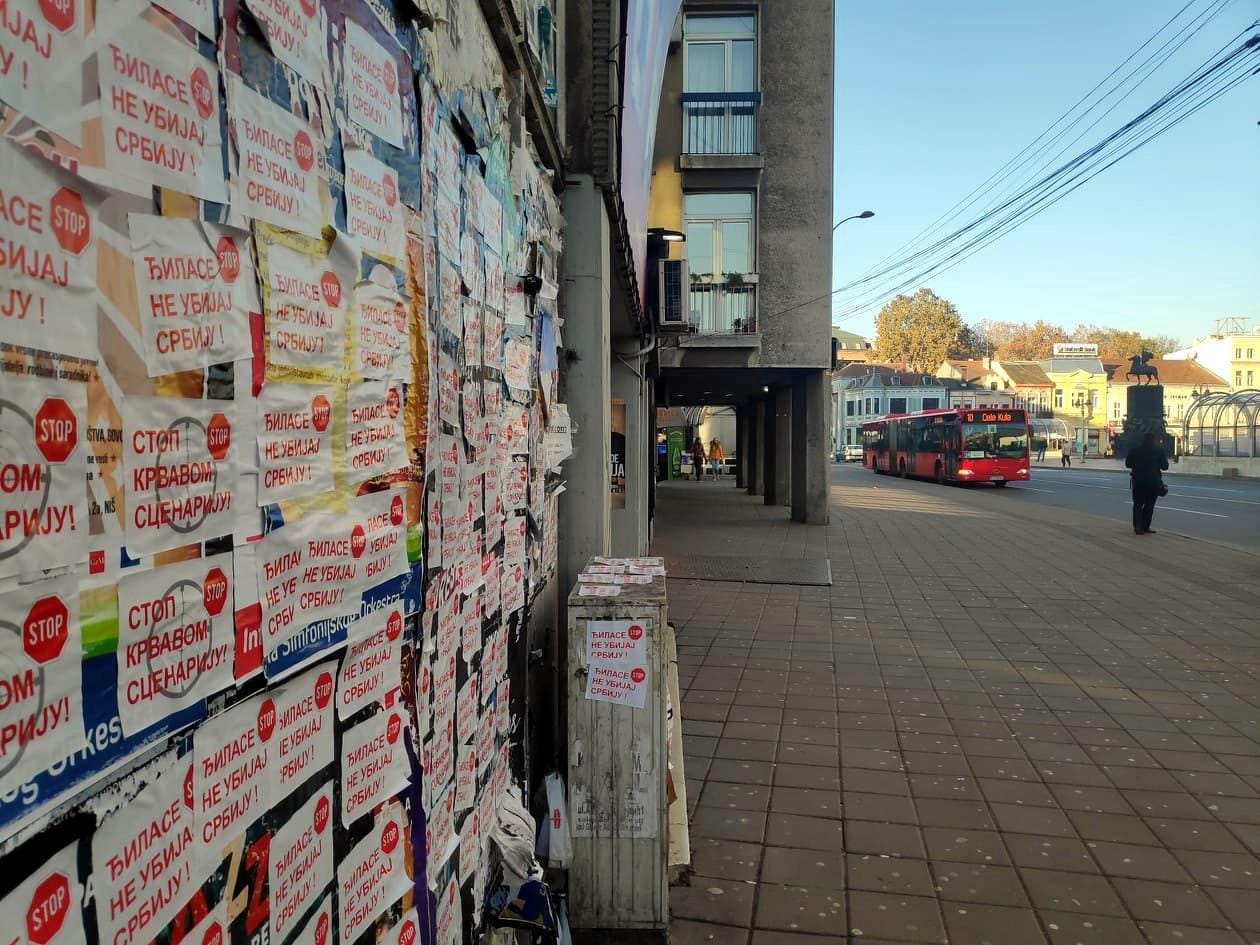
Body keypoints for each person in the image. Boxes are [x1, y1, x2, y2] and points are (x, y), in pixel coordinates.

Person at [1126, 432, 1169, 535]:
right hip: (1153, 481)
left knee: (1138, 505)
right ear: (1154, 440)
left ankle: (1137, 527)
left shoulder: (1135, 450)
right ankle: (1146, 526)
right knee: (1150, 505)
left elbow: (1128, 464)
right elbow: (1165, 466)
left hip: (1138, 481)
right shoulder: (1159, 450)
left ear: (1143, 440)